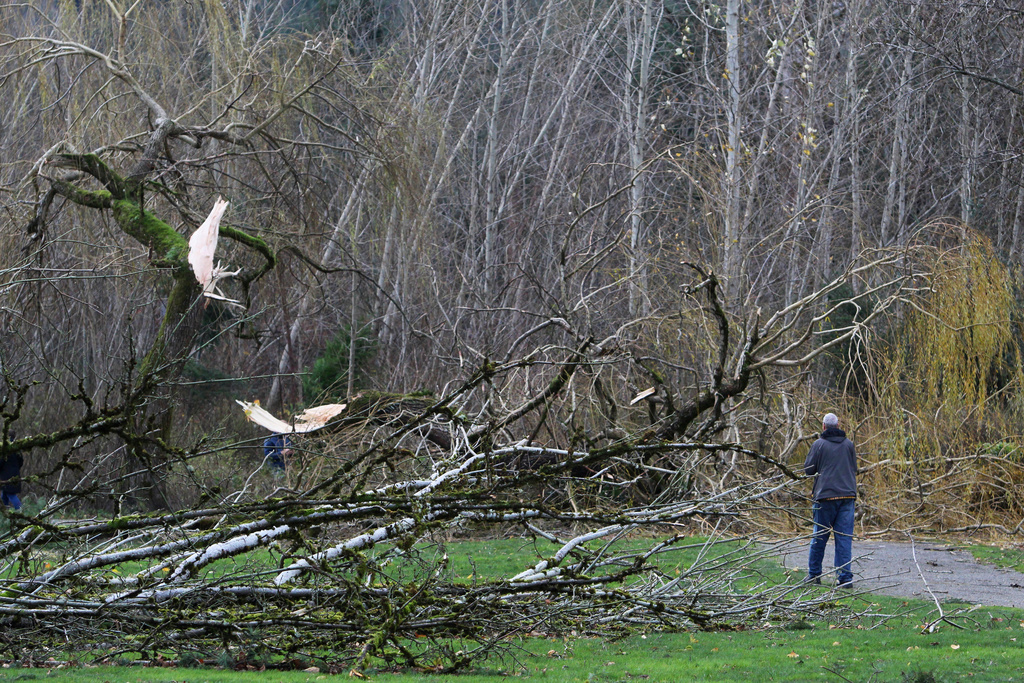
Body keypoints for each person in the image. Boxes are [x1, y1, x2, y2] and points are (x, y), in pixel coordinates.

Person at [804, 412, 857, 587]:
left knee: (819, 537)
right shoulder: (849, 444)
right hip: (847, 496)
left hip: (825, 496)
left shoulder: (819, 445)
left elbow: (809, 470)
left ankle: (814, 575)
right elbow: (853, 468)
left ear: (824, 426)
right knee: (844, 538)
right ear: (838, 425)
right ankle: (845, 578)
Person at [0, 431, 24, 511]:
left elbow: (1, 461)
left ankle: (20, 510)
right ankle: (3, 514)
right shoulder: (17, 448)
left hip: (6, 476)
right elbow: (21, 461)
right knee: (4, 495)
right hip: (15, 474)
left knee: (11, 494)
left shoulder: (4, 448)